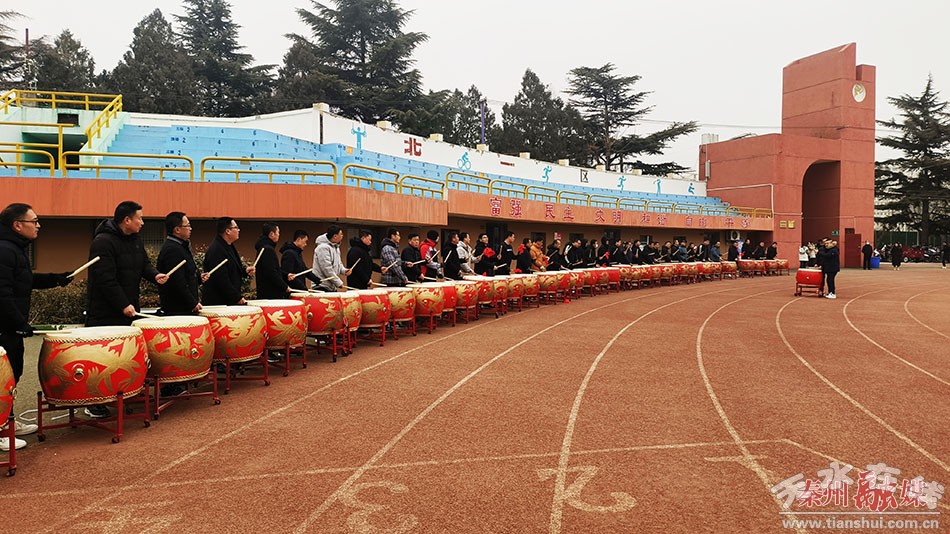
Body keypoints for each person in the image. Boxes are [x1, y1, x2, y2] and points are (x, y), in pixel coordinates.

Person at [86, 201, 169, 418]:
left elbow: (144, 265)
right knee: (102, 357)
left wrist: (155, 275)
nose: (142, 222)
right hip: (105, 310)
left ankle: (123, 392)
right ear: (127, 220)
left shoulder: (135, 240)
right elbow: (105, 279)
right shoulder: (102, 242)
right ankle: (94, 402)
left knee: (124, 355)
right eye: (139, 218)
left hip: (128, 306)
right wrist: (122, 304)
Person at [0, 203, 71, 447]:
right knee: (2, 379)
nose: (38, 225)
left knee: (14, 374)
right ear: (17, 225)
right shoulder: (4, 250)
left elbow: (24, 280)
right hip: (4, 327)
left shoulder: (15, 249)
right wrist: (19, 322)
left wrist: (55, 279)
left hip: (10, 327)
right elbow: (2, 293)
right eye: (34, 221)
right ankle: (1, 431)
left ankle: (8, 421)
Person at [157, 212, 209, 316]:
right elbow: (177, 281)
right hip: (178, 309)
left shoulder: (181, 246)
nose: (190, 229)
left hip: (185, 307)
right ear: (177, 230)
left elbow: (187, 273)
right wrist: (192, 303)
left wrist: (198, 278)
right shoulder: (172, 250)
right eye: (187, 226)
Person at [202, 217, 255, 305]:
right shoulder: (217, 250)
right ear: (228, 231)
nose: (238, 230)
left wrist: (245, 271)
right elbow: (220, 279)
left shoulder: (229, 246)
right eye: (236, 227)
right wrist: (236, 297)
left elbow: (233, 269)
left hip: (228, 300)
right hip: (219, 303)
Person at [254, 222, 294, 299]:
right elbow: (271, 272)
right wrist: (284, 286)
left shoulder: (264, 248)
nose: (279, 235)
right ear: (272, 234)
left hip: (266, 292)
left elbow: (272, 268)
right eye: (278, 232)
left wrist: (286, 275)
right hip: (270, 294)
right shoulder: (268, 250)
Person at [313, 225, 351, 291]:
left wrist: (344, 271)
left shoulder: (336, 247)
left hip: (331, 285)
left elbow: (338, 264)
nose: (342, 236)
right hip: (322, 285)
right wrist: (338, 282)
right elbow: (327, 268)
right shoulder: (322, 248)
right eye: (341, 234)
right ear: (335, 236)